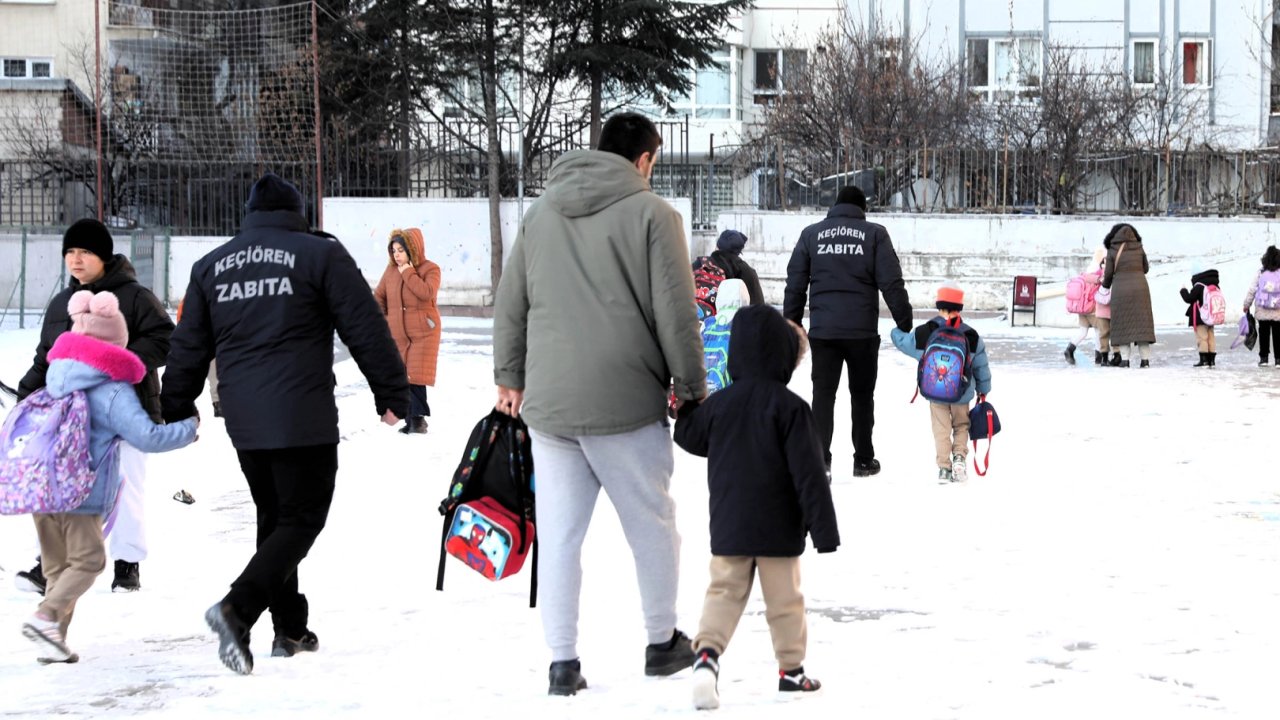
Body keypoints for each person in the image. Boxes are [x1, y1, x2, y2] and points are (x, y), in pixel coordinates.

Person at [159, 172, 409, 675]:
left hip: (244, 419)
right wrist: (393, 391)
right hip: (302, 415)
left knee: (275, 518)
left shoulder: (213, 266)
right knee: (301, 518)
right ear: (297, 212)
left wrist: (177, 401)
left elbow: (189, 344)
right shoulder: (320, 254)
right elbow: (363, 325)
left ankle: (289, 628)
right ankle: (237, 609)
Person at [492, 112, 707, 696]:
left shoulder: (540, 213)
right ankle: (662, 643)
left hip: (550, 405)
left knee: (560, 535)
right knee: (653, 526)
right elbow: (676, 311)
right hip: (625, 402)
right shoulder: (654, 215)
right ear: (643, 160)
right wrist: (691, 389)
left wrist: (509, 375)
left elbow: (512, 301)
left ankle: (563, 662)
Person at [672, 304, 839, 710]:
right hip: (779, 530)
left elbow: (690, 437)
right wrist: (824, 530)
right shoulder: (792, 409)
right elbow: (809, 475)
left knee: (723, 592)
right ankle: (792, 672)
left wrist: (690, 406)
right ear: (784, 356)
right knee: (785, 601)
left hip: (730, 524)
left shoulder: (720, 405)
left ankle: (707, 659)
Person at [21, 290, 197, 664]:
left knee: (58, 570)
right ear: (116, 341)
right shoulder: (112, 388)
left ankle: (53, 644)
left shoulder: (57, 376)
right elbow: (146, 436)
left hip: (45, 490)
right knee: (88, 563)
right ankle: (46, 617)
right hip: (81, 494)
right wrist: (188, 428)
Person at [15, 218, 173, 595]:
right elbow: (48, 356)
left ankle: (127, 564)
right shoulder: (60, 303)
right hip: (72, 417)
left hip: (126, 411)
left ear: (103, 256)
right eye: (70, 252)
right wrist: (26, 394)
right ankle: (48, 564)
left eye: (84, 252)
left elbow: (166, 338)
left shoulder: (135, 297)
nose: (75, 259)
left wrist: (118, 362)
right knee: (60, 488)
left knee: (125, 487)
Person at [783, 185, 913, 479]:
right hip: (862, 333)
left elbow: (795, 283)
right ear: (862, 209)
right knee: (862, 396)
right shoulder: (875, 235)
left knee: (823, 395)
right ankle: (864, 460)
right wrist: (904, 321)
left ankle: (820, 461)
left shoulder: (811, 234)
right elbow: (892, 282)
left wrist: (792, 322)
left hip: (824, 332)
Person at [890, 282, 993, 482]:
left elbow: (904, 342)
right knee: (962, 425)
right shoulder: (971, 335)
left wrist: (895, 331)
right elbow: (981, 366)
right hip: (961, 392)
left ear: (939, 307)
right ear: (959, 307)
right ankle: (960, 458)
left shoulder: (927, 331)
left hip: (934, 390)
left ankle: (944, 468)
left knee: (941, 428)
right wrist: (984, 389)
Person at [374, 228, 442, 434]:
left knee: (415, 375)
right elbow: (378, 298)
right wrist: (386, 321)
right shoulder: (390, 272)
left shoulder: (431, 269)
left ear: (412, 249)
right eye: (393, 250)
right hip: (399, 332)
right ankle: (410, 419)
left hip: (424, 331)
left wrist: (408, 272)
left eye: (401, 250)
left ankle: (418, 421)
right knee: (403, 375)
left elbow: (426, 292)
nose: (396, 255)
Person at [1101, 224, 1156, 368]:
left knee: (1123, 324)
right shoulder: (1139, 247)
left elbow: (1108, 274)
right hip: (1141, 289)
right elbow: (1146, 268)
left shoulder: (1112, 249)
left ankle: (1125, 360)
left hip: (1120, 290)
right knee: (1142, 325)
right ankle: (1145, 361)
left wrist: (1105, 287)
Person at [699, 229, 764, 306]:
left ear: (717, 246)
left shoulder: (701, 264)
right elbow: (758, 306)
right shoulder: (749, 272)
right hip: (740, 317)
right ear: (739, 251)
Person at [1063, 248, 1105, 365]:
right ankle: (1099, 357)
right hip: (1093, 308)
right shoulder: (1099, 272)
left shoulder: (1088, 269)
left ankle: (1070, 349)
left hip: (1081, 308)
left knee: (1083, 331)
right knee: (1098, 331)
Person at [1242, 245, 1280, 367]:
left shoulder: (1261, 272)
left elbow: (1252, 289)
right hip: (1278, 310)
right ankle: (1278, 359)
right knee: (1278, 335)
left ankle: (1264, 358)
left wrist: (1246, 304)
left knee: (1264, 334)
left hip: (1262, 309)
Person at [1180, 267, 1222, 368]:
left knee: (1202, 338)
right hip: (1212, 316)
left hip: (1200, 317)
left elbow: (1189, 298)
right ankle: (1211, 360)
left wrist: (1183, 290)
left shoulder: (1199, 286)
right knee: (1211, 337)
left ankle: (1204, 360)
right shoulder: (1215, 286)